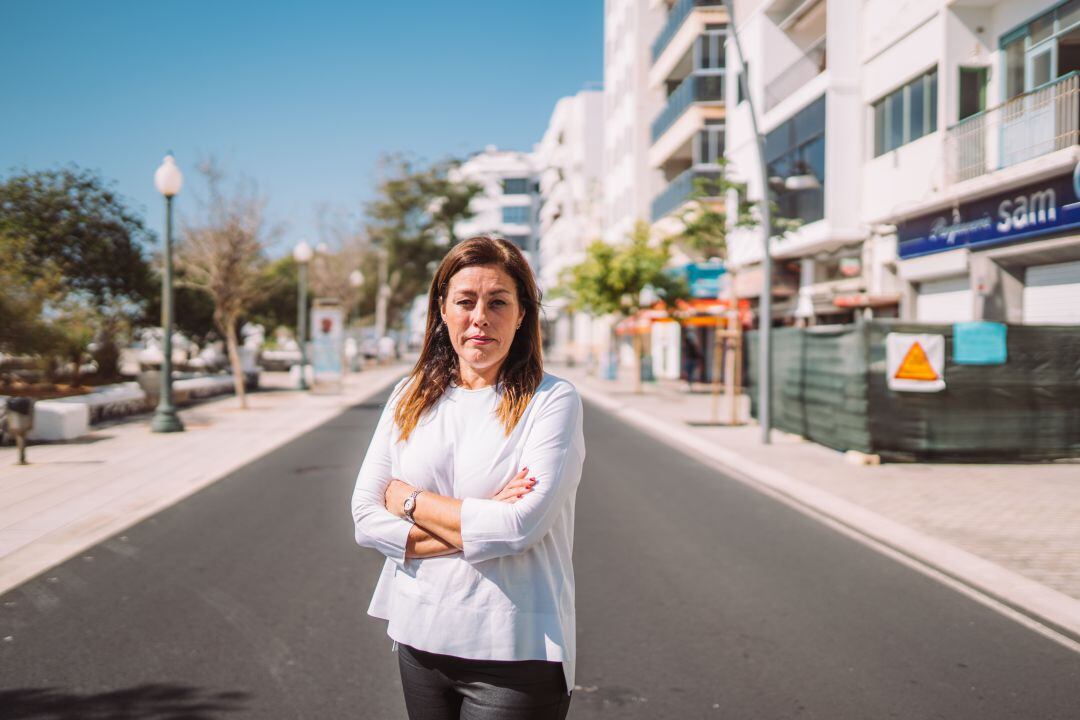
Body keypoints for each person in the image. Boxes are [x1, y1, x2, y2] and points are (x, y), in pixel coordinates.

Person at [351, 235, 585, 720]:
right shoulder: (409, 394)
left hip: (514, 647)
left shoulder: (552, 400)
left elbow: (520, 528)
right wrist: (484, 518)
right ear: (442, 309)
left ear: (522, 314)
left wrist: (409, 499)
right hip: (420, 632)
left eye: (498, 301)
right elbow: (364, 519)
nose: (480, 317)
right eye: (465, 301)